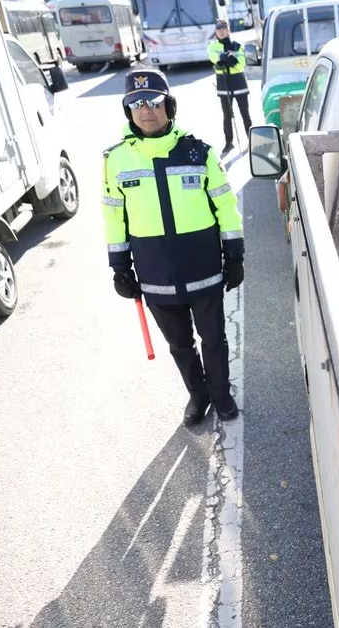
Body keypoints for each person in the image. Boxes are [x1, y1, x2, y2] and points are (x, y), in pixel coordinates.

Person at [102, 68, 245, 426]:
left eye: (153, 101)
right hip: (155, 273)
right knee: (180, 345)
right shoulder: (115, 160)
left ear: (169, 106)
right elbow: (113, 216)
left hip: (203, 267)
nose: (145, 109)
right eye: (135, 103)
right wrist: (119, 268)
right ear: (128, 111)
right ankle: (198, 396)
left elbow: (226, 207)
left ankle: (221, 394)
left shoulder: (200, 153)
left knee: (214, 339)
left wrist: (235, 255)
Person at [207, 19, 252, 157]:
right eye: (218, 29)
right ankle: (229, 142)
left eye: (223, 29)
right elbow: (214, 59)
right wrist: (225, 58)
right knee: (227, 116)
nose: (221, 32)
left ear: (228, 30)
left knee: (245, 114)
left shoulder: (237, 45)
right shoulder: (212, 47)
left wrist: (227, 61)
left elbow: (241, 64)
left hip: (238, 83)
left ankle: (251, 140)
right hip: (223, 84)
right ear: (216, 32)